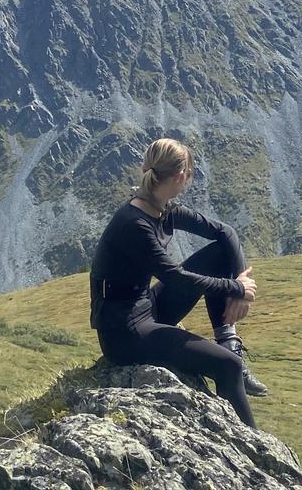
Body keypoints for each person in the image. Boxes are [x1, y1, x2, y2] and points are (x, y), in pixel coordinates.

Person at [88, 137, 267, 429]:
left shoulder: (161, 209)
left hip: (147, 306)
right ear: (181, 176)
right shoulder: (135, 224)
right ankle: (254, 448)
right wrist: (236, 288)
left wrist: (238, 289)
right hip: (125, 333)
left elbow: (226, 233)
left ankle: (228, 340)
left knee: (219, 253)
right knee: (227, 367)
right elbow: (176, 278)